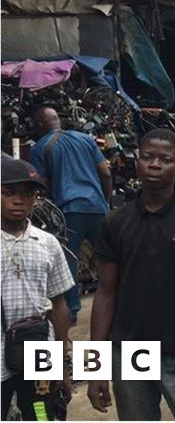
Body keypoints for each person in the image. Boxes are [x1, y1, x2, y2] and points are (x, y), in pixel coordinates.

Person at [89, 129, 175, 420]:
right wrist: (97, 365)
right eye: (147, 157)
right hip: (129, 352)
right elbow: (105, 292)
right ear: (136, 162)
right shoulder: (115, 222)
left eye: (165, 159)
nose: (154, 165)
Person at [2, 157, 74, 421]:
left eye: (27, 194)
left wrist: (62, 363)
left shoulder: (47, 243)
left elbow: (58, 303)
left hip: (38, 348)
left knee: (41, 413)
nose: (18, 200)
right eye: (8, 192)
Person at [30, 106, 111, 326]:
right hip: (97, 207)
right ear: (59, 120)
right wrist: (104, 200)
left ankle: (72, 311)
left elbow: (42, 186)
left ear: (39, 125)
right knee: (111, 257)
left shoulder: (40, 148)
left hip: (68, 211)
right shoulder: (86, 139)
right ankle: (123, 303)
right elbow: (105, 172)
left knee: (68, 263)